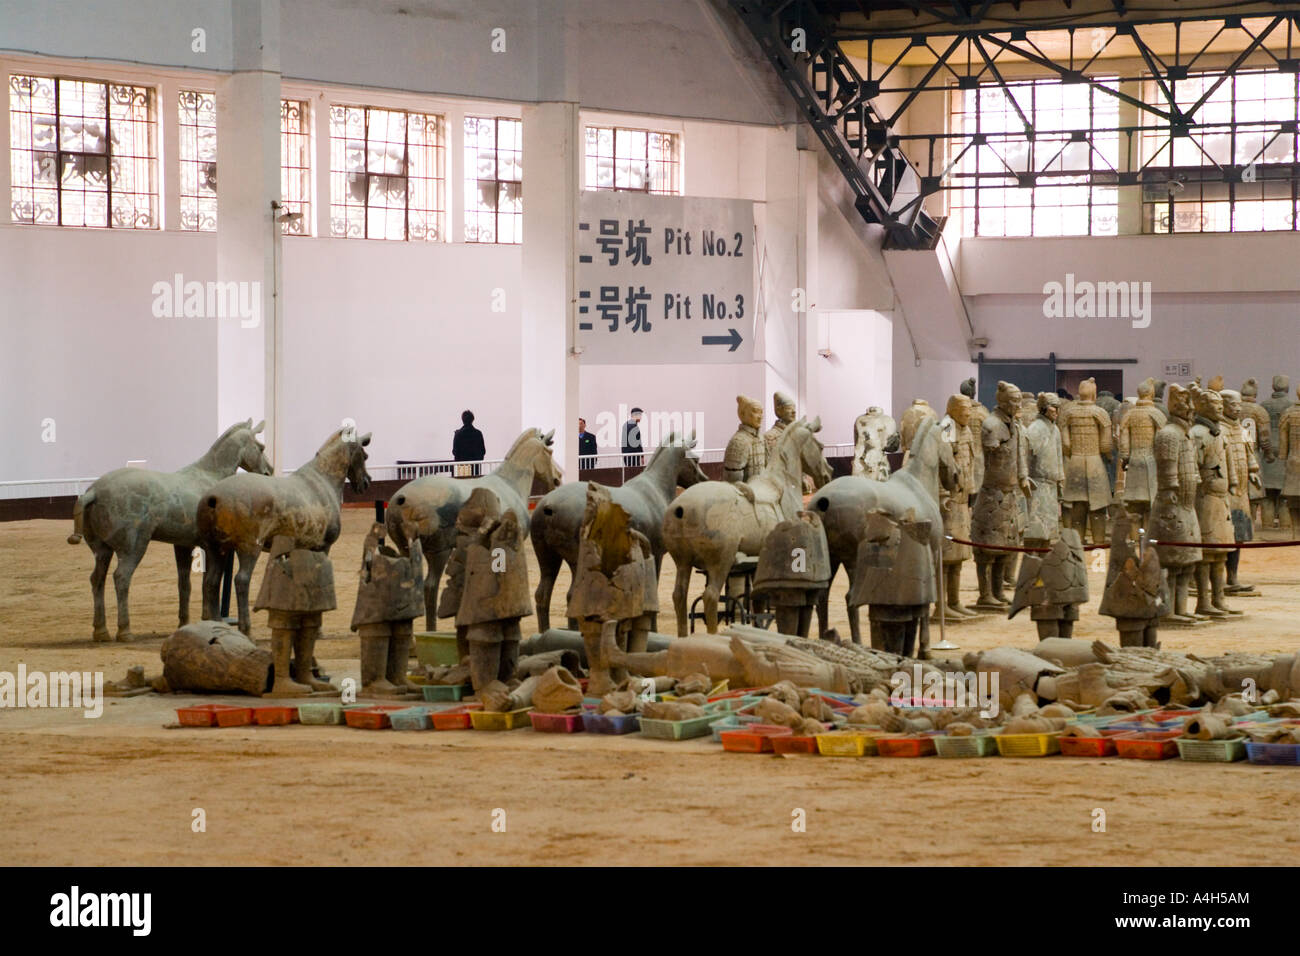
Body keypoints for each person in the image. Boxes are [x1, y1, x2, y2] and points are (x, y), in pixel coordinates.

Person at [452, 409, 486, 477]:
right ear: (473, 419)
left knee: (464, 485)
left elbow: (455, 452)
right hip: (475, 466)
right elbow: (483, 451)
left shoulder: (458, 434)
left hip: (462, 467)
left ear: (462, 420)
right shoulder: (478, 433)